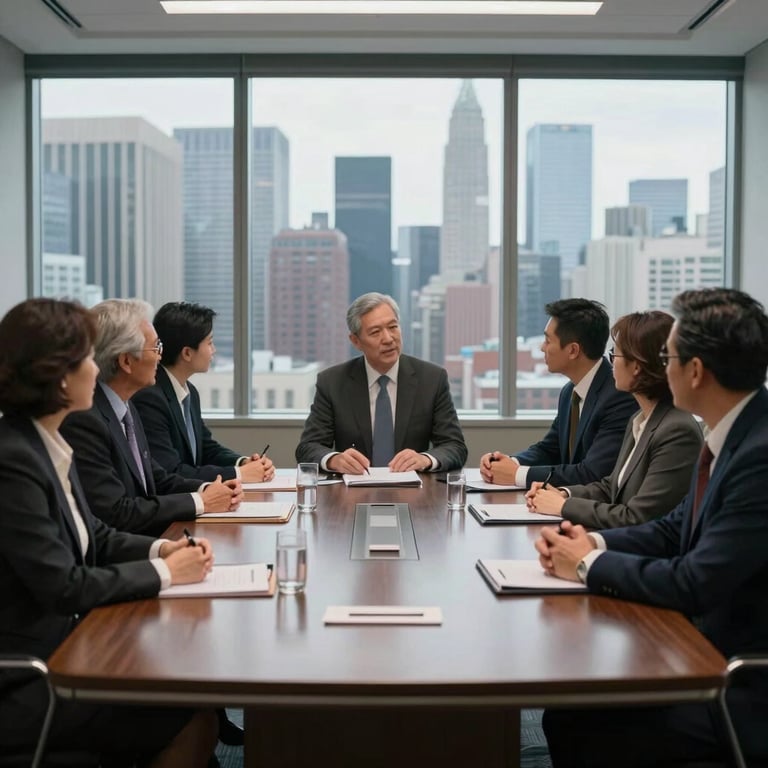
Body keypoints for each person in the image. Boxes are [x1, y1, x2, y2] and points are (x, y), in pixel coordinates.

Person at [535, 288, 768, 767]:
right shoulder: (735, 435)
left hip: (737, 685)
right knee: (569, 708)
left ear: (696, 371)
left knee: (573, 718)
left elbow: (694, 580)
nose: (663, 367)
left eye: (669, 357)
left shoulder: (758, 455)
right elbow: (671, 529)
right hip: (703, 651)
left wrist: (587, 564)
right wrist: (591, 541)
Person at [0, 298, 218, 767]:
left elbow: (94, 537)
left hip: (70, 645)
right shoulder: (13, 460)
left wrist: (166, 548)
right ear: (57, 375)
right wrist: (165, 572)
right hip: (32, 677)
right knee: (190, 708)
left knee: (188, 688)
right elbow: (63, 584)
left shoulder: (46, 441)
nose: (95, 370)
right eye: (85, 358)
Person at [61, 299, 243, 538]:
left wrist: (209, 489)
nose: (161, 357)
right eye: (156, 348)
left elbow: (156, 478)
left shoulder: (126, 406)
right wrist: (200, 501)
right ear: (126, 361)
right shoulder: (87, 420)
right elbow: (116, 512)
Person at [525, 310, 702, 528]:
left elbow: (636, 517)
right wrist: (563, 493)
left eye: (614, 355)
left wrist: (562, 506)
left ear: (637, 366)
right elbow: (611, 488)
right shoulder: (640, 419)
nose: (611, 365)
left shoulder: (676, 430)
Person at [295, 292, 467, 473]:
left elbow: (455, 446)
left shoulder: (432, 379)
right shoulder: (332, 382)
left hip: (414, 493)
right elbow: (308, 447)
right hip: (353, 492)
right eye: (375, 332)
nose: (388, 338)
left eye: (393, 327)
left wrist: (424, 459)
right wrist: (334, 460)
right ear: (356, 341)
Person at [480, 298, 636, 488]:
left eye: (547, 340)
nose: (542, 348)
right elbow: (550, 449)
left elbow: (592, 473)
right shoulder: (570, 391)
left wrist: (516, 475)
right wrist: (509, 463)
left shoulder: (617, 395)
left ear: (572, 350)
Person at [133, 301, 274, 483]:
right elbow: (171, 470)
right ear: (187, 353)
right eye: (210, 343)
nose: (213, 350)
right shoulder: (150, 397)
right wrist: (239, 474)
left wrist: (243, 462)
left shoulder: (188, 390)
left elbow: (206, 448)